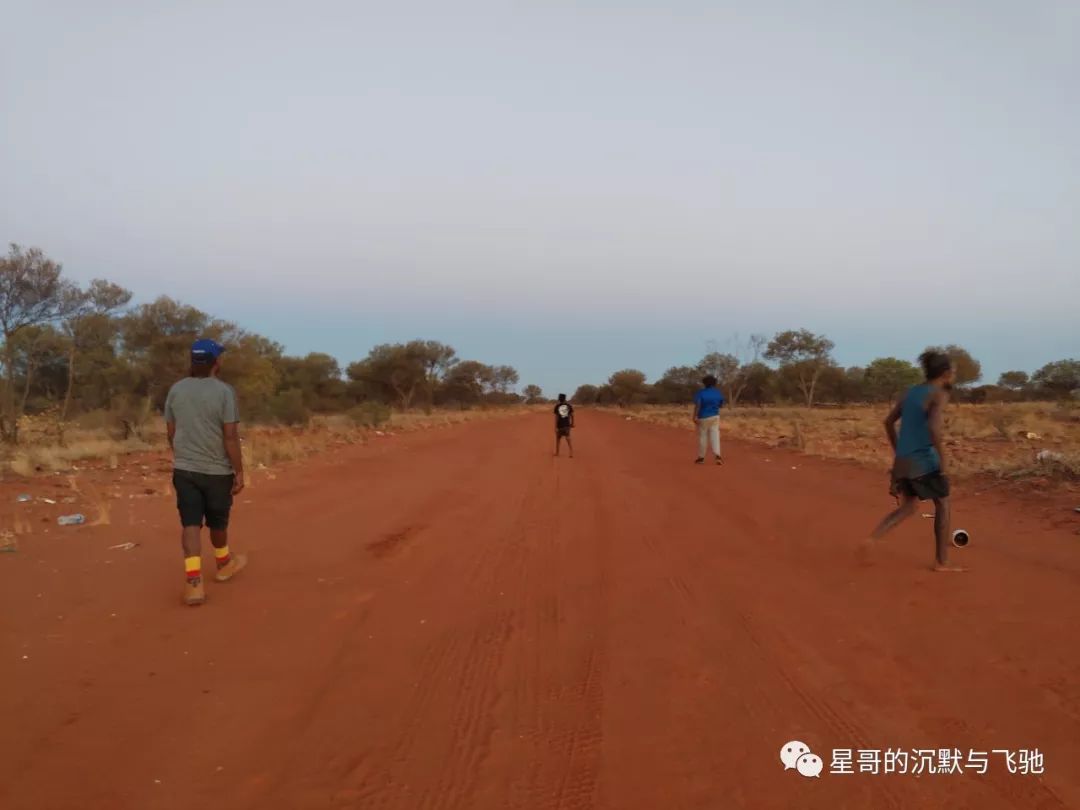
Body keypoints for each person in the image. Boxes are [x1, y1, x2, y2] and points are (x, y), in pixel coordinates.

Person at [864, 350, 965, 572]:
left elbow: (888, 422)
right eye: (954, 371)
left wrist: (899, 451)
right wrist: (943, 461)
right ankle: (942, 561)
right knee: (943, 503)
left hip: (903, 460)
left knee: (908, 507)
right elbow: (934, 428)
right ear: (946, 373)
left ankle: (872, 539)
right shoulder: (938, 394)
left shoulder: (910, 392)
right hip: (924, 460)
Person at [164, 339, 248, 606]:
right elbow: (231, 437)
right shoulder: (225, 392)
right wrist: (239, 471)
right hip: (217, 472)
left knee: (190, 523)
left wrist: (183, 457)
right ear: (215, 362)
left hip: (185, 470)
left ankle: (193, 583)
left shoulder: (176, 390)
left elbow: (171, 432)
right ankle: (223, 563)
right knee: (218, 522)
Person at [692, 375, 725, 464]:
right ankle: (718, 456)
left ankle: (701, 458)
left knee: (703, 437)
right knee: (715, 436)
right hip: (715, 416)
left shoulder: (701, 393)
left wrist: (694, 416)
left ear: (704, 383)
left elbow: (698, 405)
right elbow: (721, 405)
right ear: (714, 383)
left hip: (703, 417)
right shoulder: (718, 393)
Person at [553, 394, 575, 458]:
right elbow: (572, 415)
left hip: (559, 425)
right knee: (568, 438)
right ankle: (571, 452)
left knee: (558, 439)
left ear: (559, 399)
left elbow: (556, 417)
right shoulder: (569, 406)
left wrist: (555, 427)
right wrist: (573, 423)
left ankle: (557, 453)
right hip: (567, 425)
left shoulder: (557, 406)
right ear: (565, 398)